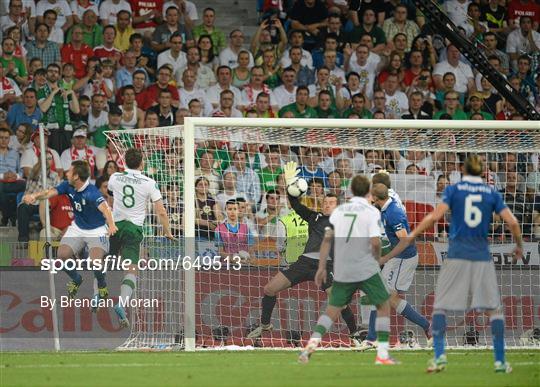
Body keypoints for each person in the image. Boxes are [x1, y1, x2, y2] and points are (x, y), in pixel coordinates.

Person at [387, 155, 523, 373]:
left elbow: (433, 217)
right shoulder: (491, 193)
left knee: (441, 306)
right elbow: (514, 222)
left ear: (462, 170)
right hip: (481, 255)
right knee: (493, 308)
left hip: (456, 253)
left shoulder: (454, 190)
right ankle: (500, 361)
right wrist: (519, 245)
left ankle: (440, 357)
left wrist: (414, 234)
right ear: (482, 172)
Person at [248, 162, 363, 346]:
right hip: (304, 262)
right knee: (269, 289)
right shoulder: (314, 217)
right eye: (325, 202)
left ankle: (354, 333)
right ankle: (265, 326)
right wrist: (290, 184)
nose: (326, 205)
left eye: (331, 203)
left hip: (326, 266)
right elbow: (295, 203)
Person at [298, 174, 395, 364]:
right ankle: (382, 354)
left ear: (352, 189)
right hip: (364, 265)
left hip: (342, 266)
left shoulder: (340, 211)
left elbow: (327, 239)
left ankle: (311, 345)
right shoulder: (371, 211)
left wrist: (321, 266)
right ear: (368, 191)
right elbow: (375, 242)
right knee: (383, 304)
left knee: (333, 309)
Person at [22, 160, 117, 301]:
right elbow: (50, 193)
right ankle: (77, 279)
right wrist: (34, 196)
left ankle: (102, 284)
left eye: (70, 171)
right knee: (62, 255)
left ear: (76, 176)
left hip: (96, 230)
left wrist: (112, 225)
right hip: (78, 227)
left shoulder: (91, 193)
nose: (66, 173)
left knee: (95, 263)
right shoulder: (67, 185)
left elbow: (105, 209)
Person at [359, 183, 431, 350]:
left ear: (376, 198)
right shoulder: (386, 206)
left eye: (370, 196)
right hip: (398, 258)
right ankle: (427, 326)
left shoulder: (393, 213)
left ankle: (372, 338)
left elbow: (405, 241)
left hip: (403, 258)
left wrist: (386, 258)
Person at [107, 147, 174, 327]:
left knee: (105, 263)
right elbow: (160, 211)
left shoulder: (114, 177)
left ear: (124, 162)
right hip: (133, 228)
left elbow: (111, 196)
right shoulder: (149, 182)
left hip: (114, 226)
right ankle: (121, 304)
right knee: (131, 270)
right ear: (142, 162)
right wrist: (167, 231)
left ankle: (97, 295)